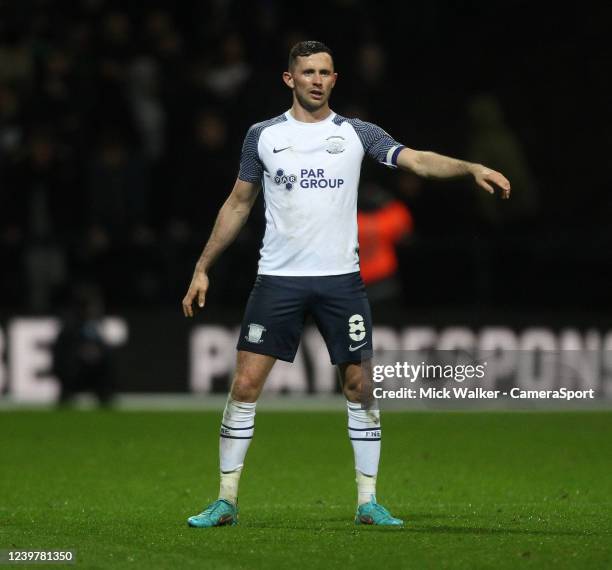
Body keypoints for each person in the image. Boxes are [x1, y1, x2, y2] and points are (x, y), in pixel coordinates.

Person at [182, 40, 510, 528]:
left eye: (326, 72)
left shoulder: (357, 133)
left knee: (359, 387)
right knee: (246, 384)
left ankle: (367, 501)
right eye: (308, 71)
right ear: (289, 79)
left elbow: (415, 160)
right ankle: (226, 499)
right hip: (278, 281)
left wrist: (470, 167)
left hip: (341, 283)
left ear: (335, 80)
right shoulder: (263, 136)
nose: (317, 79)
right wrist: (202, 265)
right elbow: (238, 203)